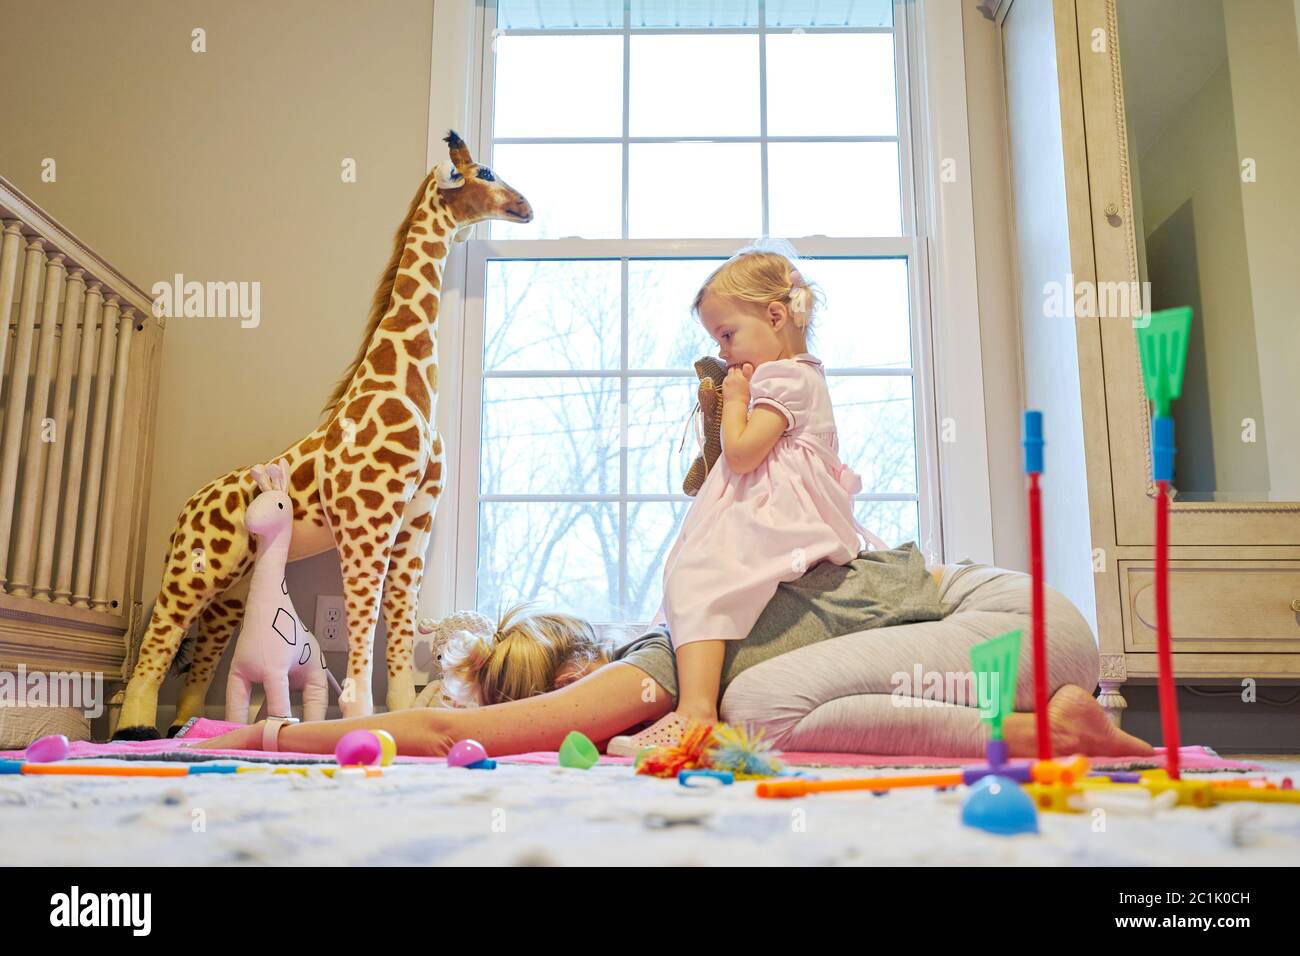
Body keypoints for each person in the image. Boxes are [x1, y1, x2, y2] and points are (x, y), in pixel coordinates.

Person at [617, 241, 886, 754]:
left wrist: (736, 400)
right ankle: (696, 705)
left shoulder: (785, 378)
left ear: (777, 316)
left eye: (727, 334)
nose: (722, 351)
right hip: (780, 508)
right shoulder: (799, 374)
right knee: (694, 577)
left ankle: (695, 714)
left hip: (783, 516)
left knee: (698, 580)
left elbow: (741, 454)